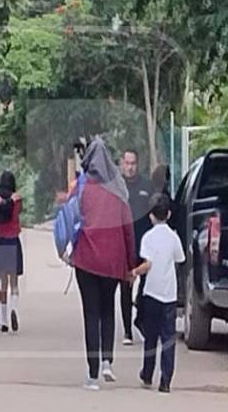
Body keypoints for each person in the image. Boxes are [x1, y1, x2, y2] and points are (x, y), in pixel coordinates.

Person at [55, 137, 136, 389]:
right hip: (113, 262)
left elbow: (68, 217)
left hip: (87, 260)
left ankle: (92, 377)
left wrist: (64, 249)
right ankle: (107, 362)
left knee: (91, 314)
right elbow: (128, 230)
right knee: (107, 310)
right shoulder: (120, 190)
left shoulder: (82, 188)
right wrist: (130, 265)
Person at [130, 196, 186, 393]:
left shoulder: (148, 238)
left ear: (150, 215)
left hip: (151, 293)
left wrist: (135, 272)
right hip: (169, 295)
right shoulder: (174, 237)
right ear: (169, 214)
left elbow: (148, 263)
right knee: (168, 337)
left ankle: (147, 373)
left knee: (151, 337)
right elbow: (180, 258)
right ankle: (166, 380)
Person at [119, 148, 152, 346]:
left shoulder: (146, 185)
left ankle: (140, 317)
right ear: (122, 163)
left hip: (145, 243)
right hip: (124, 245)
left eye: (133, 163)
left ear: (137, 165)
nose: (130, 167)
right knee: (125, 287)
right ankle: (127, 331)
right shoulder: (117, 187)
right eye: (127, 163)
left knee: (147, 286)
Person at [0, 170, 23, 333]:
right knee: (14, 282)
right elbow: (17, 214)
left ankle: (2, 320)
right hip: (13, 240)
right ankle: (14, 308)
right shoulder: (18, 199)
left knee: (2, 280)